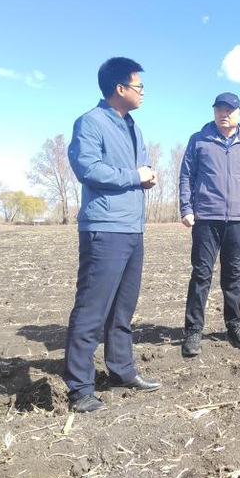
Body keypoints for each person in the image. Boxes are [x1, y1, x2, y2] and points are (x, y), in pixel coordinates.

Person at [63, 57, 161, 413]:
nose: (143, 92)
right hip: (104, 229)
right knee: (92, 309)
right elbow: (87, 168)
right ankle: (80, 389)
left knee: (123, 309)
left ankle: (121, 370)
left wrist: (145, 177)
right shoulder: (91, 122)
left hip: (133, 227)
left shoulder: (133, 126)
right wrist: (135, 176)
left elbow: (139, 168)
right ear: (119, 88)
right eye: (139, 86)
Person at [178, 92, 240, 357]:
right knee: (201, 274)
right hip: (206, 218)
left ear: (239, 113)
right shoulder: (199, 140)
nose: (223, 113)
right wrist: (186, 209)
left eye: (229, 110)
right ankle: (193, 330)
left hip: (238, 220)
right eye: (219, 109)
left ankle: (234, 326)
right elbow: (186, 177)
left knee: (233, 275)